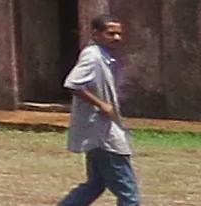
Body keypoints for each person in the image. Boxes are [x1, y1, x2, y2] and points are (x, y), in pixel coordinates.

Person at [58, 17, 141, 206]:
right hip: (103, 133)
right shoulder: (92, 56)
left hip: (100, 131)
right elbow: (73, 83)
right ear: (95, 34)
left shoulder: (102, 56)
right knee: (129, 194)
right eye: (110, 33)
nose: (116, 38)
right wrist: (101, 104)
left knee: (96, 184)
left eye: (119, 34)